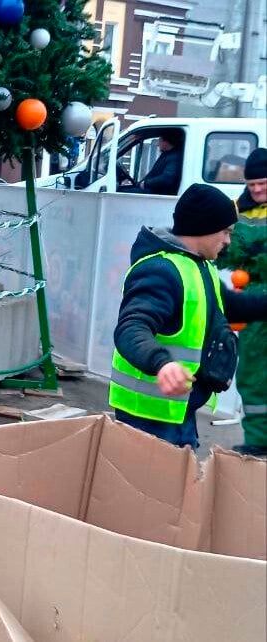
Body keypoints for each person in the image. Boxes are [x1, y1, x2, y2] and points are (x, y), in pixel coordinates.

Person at [110, 184, 267, 448]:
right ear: (204, 228)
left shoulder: (198, 265)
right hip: (149, 416)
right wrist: (162, 363)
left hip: (178, 410)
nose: (228, 241)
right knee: (154, 487)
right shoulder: (161, 270)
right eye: (226, 232)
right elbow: (131, 327)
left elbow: (232, 306)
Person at [229, 148, 267, 456]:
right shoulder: (237, 210)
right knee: (252, 372)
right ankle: (257, 440)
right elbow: (226, 250)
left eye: (263, 183)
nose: (256, 190)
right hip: (252, 299)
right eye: (252, 184)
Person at [119, 130, 183, 196]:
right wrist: (140, 183)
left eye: (160, 140)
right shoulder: (167, 154)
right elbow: (153, 173)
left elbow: (167, 178)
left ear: (166, 142)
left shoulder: (174, 157)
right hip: (154, 190)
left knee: (119, 192)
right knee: (123, 189)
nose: (158, 144)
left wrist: (146, 183)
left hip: (159, 193)